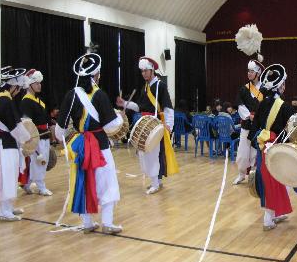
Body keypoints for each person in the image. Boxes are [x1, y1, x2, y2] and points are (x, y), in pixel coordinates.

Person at [55, 51, 124, 234]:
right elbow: (111, 126)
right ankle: (107, 223)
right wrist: (119, 118)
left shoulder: (71, 95)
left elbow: (59, 130)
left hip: (80, 145)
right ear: (96, 74)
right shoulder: (99, 95)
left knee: (84, 180)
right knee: (108, 181)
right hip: (99, 144)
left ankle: (87, 223)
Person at [117, 56, 178, 194]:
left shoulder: (160, 86)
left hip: (155, 125)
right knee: (149, 154)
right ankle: (157, 181)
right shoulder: (145, 87)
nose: (143, 73)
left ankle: (155, 184)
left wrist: (169, 125)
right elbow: (139, 107)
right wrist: (125, 103)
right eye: (142, 71)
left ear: (152, 71)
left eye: (146, 70)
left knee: (153, 154)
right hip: (146, 122)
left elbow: (168, 107)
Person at [248, 64, 294, 230]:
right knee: (276, 182)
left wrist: (260, 144)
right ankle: (268, 219)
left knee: (268, 182)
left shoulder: (260, 104)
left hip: (263, 148)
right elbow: (290, 133)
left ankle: (275, 214)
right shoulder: (286, 107)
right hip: (278, 151)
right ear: (280, 86)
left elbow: (253, 131)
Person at [0, 67, 31, 221]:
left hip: (3, 141)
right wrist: (27, 138)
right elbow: (14, 126)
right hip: (6, 143)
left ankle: (8, 207)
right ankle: (4, 211)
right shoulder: (5, 100)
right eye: (18, 89)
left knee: (9, 174)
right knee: (7, 175)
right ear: (14, 86)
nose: (18, 92)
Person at [19, 69, 53, 196]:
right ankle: (41, 186)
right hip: (36, 137)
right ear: (30, 85)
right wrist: (30, 141)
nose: (39, 85)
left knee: (38, 162)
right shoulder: (26, 101)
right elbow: (26, 123)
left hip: (44, 135)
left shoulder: (38, 100)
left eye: (40, 83)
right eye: (36, 83)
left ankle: (26, 183)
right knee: (39, 162)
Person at [233, 59, 265, 185]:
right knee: (242, 153)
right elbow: (239, 104)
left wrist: (257, 117)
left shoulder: (264, 89)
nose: (249, 73)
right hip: (246, 125)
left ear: (258, 73)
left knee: (254, 154)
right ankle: (241, 174)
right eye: (248, 71)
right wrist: (248, 116)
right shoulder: (244, 89)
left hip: (258, 127)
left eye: (252, 71)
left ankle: (253, 176)